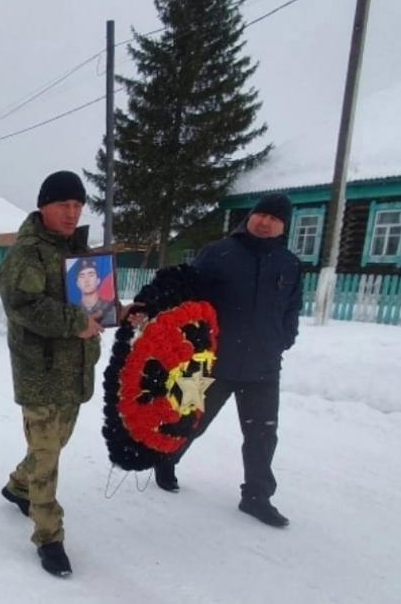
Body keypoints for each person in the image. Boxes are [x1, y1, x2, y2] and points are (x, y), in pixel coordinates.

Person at [153, 194, 302, 529]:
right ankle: (166, 459)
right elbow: (189, 295)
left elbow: (293, 308)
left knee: (263, 435)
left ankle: (257, 496)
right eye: (260, 214)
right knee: (192, 420)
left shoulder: (289, 264)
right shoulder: (219, 254)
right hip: (213, 361)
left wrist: (284, 338)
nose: (265, 222)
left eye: (274, 218)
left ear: (283, 225)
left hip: (263, 367)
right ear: (249, 217)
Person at [0, 170, 104, 578]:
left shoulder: (79, 251)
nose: (72, 213)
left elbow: (93, 303)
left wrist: (113, 313)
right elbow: (22, 305)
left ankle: (17, 486)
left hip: (76, 369)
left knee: (55, 444)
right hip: (40, 370)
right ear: (44, 205)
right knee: (48, 458)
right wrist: (75, 321)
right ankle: (49, 536)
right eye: (64, 204)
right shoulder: (28, 252)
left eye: (78, 206)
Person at [73, 258, 116, 327]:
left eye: (91, 275)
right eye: (82, 276)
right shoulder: (72, 312)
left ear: (98, 280)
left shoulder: (110, 309)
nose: (86, 280)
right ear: (77, 283)